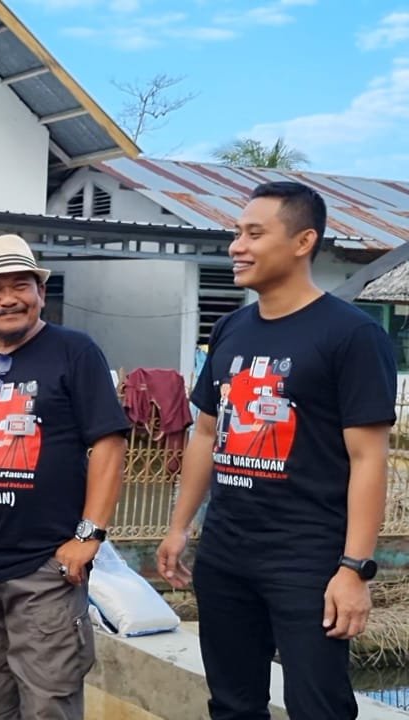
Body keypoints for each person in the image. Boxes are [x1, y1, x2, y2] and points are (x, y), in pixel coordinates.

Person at [156, 182, 397, 720]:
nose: (237, 246)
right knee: (232, 704)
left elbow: (368, 459)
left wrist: (355, 568)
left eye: (254, 234)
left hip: (307, 559)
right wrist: (179, 527)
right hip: (226, 551)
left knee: (318, 706)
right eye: (237, 233)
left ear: (302, 241)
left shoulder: (351, 335)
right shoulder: (230, 329)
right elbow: (205, 433)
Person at [0, 234, 129, 720]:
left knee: (47, 707)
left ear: (40, 291)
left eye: (21, 285)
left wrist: (89, 535)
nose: (8, 299)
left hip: (43, 570)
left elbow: (109, 442)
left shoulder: (75, 351)